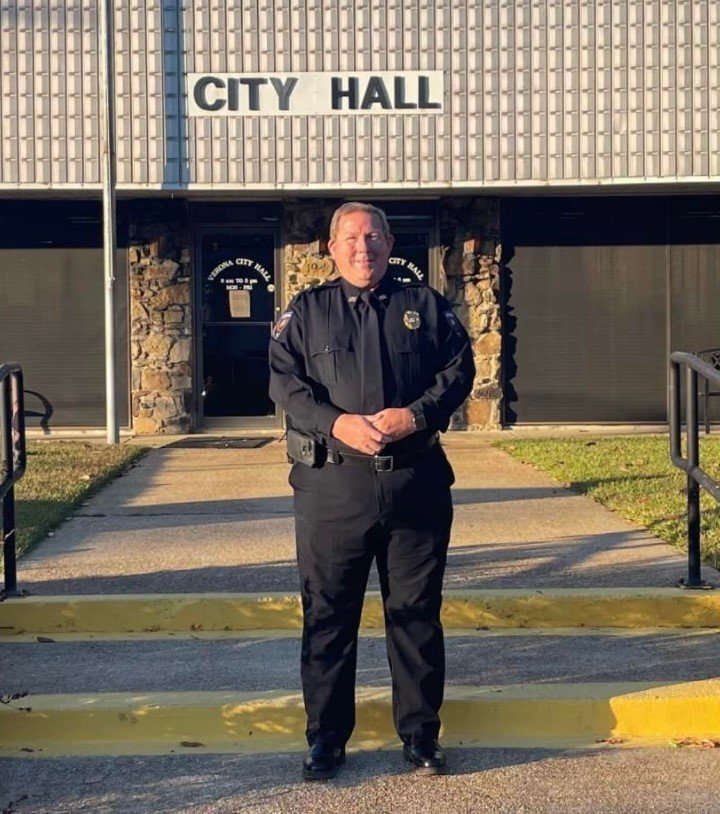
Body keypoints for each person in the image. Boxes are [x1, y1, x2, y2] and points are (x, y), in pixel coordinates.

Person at [269, 202, 475, 780]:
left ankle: (420, 735)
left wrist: (416, 416)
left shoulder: (424, 305)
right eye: (352, 238)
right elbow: (285, 383)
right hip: (333, 489)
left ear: (390, 243)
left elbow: (459, 369)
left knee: (415, 614)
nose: (364, 248)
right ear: (331, 248)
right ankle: (326, 740)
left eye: (375, 236)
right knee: (329, 616)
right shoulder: (307, 313)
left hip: (415, 484)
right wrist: (338, 423)